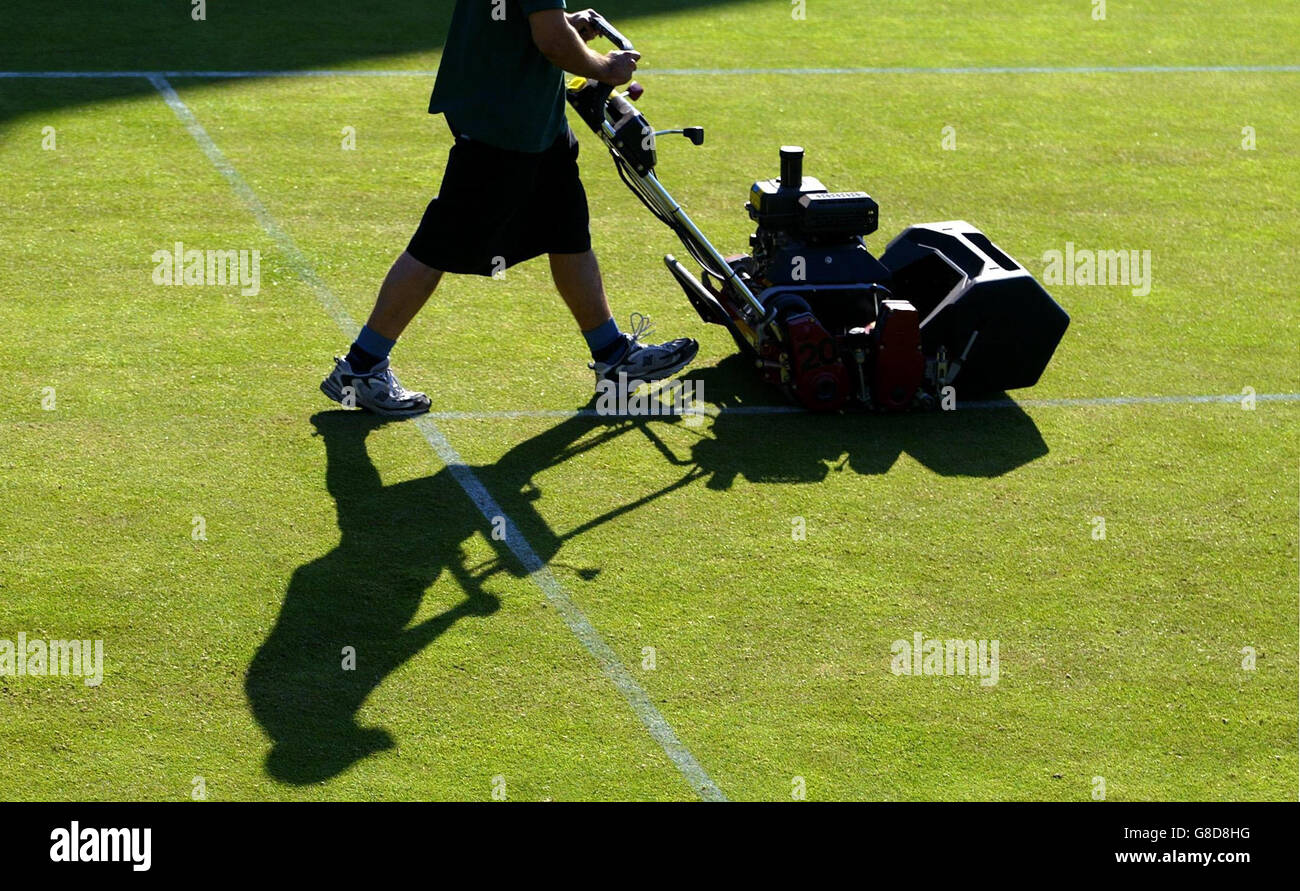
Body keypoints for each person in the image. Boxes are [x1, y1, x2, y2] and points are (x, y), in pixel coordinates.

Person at [322, 2, 698, 417]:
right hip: (504, 126)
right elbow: (553, 42)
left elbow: (528, 23)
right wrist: (606, 68)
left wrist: (566, 26)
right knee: (437, 246)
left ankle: (612, 355)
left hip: (536, 121)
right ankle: (361, 367)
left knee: (568, 233)